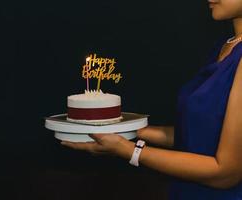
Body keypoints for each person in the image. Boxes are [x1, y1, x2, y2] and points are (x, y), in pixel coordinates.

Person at [61, 0, 242, 199]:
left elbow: (227, 174)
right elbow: (198, 137)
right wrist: (129, 131)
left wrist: (129, 150)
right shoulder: (225, 47)